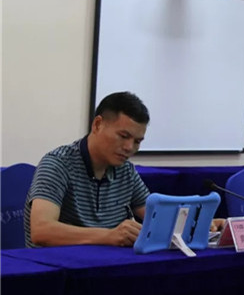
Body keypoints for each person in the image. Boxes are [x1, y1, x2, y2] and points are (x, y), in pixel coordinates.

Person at [25, 92, 151, 247]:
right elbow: (41, 230)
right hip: (59, 260)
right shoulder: (58, 164)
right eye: (123, 136)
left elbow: (155, 216)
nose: (129, 147)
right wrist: (109, 235)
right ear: (97, 124)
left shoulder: (126, 170)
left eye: (137, 141)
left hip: (107, 260)